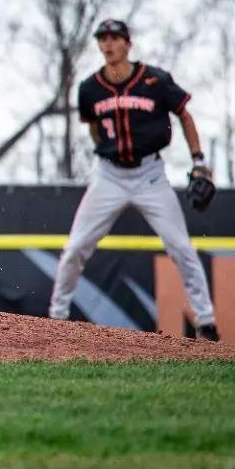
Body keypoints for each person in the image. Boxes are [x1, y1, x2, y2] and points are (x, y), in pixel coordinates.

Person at [47, 19, 218, 340]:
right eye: (103, 39)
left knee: (180, 247)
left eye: (114, 38)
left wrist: (199, 161)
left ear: (128, 43)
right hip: (109, 175)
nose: (108, 44)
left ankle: (207, 322)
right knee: (75, 248)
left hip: (150, 174)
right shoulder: (90, 88)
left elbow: (184, 114)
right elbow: (94, 127)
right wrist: (104, 150)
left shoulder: (154, 80)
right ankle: (57, 318)